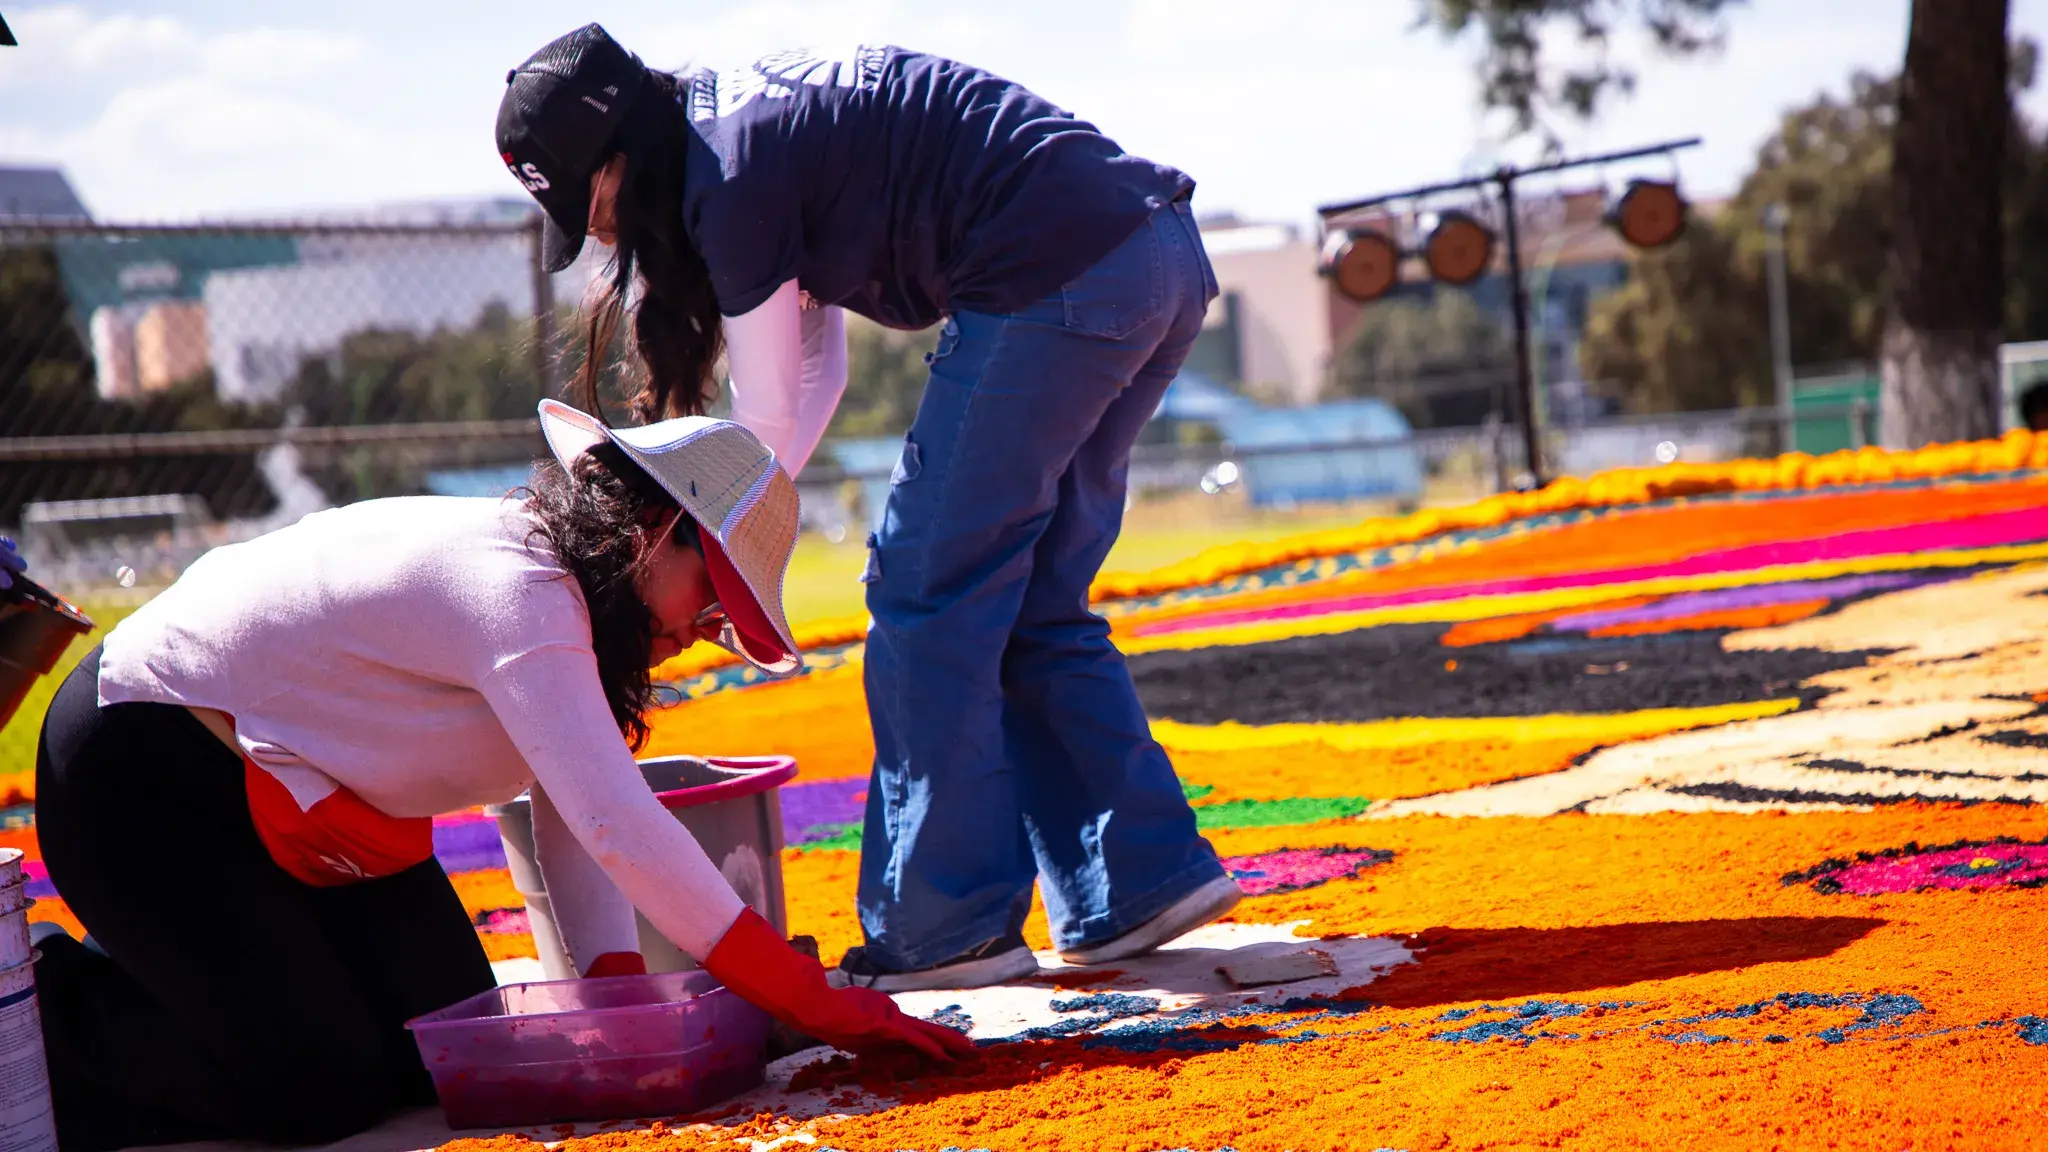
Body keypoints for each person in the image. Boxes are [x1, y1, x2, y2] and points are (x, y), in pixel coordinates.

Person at [495, 25, 1242, 994]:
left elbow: (764, 409)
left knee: (925, 590)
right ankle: (1137, 882)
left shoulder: (725, 184)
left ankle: (943, 927)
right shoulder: (731, 135)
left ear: (618, 154)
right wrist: (727, 523)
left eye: (584, 205)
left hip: (1055, 273)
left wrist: (704, 538)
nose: (598, 235)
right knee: (1026, 596)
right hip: (1147, 253)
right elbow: (813, 370)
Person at [30, 402, 970, 1152]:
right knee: (317, 1094)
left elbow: (572, 816)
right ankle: (47, 1013)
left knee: (432, 1058)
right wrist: (809, 999)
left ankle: (209, 974)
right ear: (656, 528)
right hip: (145, 768)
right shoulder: (523, 588)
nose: (700, 634)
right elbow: (618, 827)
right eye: (713, 598)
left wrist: (619, 1016)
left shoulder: (576, 610)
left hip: (308, 807)